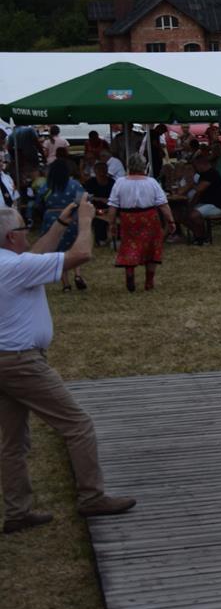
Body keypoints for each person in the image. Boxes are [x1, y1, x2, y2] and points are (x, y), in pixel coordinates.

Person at [0, 201, 136, 534]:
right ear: (9, 236)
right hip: (21, 362)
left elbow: (37, 255)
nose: (26, 232)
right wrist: (86, 223)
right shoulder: (13, 268)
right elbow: (81, 256)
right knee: (78, 425)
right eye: (22, 228)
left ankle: (17, 512)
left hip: (6, 361)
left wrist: (61, 223)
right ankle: (92, 497)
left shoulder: (10, 262)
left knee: (12, 442)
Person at [105, 154, 174, 293]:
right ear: (144, 166)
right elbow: (163, 204)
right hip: (149, 218)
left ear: (129, 166)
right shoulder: (152, 182)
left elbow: (112, 205)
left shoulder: (120, 182)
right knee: (151, 248)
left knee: (129, 246)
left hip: (128, 219)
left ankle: (130, 275)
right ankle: (149, 281)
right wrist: (171, 221)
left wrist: (111, 223)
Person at [34, 157, 86, 292]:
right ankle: (78, 275)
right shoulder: (74, 184)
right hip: (71, 217)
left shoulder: (46, 186)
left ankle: (66, 284)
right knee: (73, 247)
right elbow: (81, 199)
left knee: (59, 251)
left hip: (52, 219)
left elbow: (38, 202)